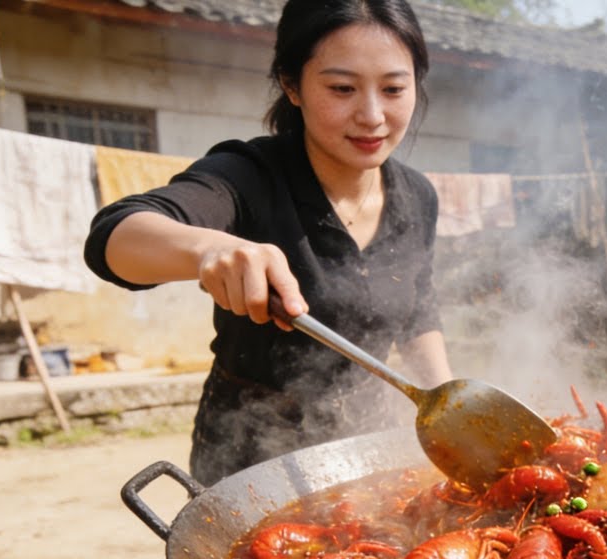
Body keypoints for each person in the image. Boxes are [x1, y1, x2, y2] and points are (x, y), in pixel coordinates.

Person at [84, 0, 453, 489]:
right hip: (251, 460)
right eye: (342, 88)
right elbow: (114, 237)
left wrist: (450, 410)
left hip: (366, 450)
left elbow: (417, 312)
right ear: (291, 84)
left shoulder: (417, 196)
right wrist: (208, 249)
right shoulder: (247, 175)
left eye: (393, 89)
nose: (372, 115)